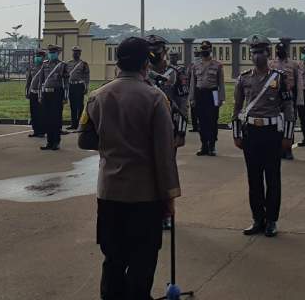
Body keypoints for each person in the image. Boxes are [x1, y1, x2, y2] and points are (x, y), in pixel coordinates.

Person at [78, 36, 181, 300]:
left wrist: (113, 143)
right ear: (146, 63)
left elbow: (84, 140)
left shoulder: (97, 96)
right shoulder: (155, 98)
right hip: (144, 194)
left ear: (118, 63)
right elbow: (164, 154)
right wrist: (169, 196)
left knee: (113, 258)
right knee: (142, 260)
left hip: (109, 191)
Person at [233, 35, 295, 238]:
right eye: (254, 52)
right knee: (254, 178)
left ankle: (272, 220)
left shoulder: (279, 78)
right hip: (251, 133)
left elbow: (288, 107)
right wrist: (236, 134)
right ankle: (257, 219)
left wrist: (288, 136)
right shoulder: (243, 78)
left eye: (261, 52)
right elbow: (237, 108)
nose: (257, 56)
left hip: (271, 133)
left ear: (268, 54)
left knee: (272, 177)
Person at [146, 36, 189, 229]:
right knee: (146, 172)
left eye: (157, 50)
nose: (153, 54)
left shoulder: (176, 73)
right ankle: (149, 211)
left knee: (166, 172)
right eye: (150, 50)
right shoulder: (142, 73)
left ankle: (167, 213)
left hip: (168, 129)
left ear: (164, 51)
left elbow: (182, 104)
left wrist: (181, 133)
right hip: (145, 129)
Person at [188, 40, 225, 156]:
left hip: (213, 93)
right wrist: (192, 98)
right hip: (200, 93)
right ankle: (204, 145)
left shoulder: (217, 65)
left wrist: (221, 98)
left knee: (213, 119)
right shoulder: (195, 65)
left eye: (206, 49)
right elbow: (193, 83)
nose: (204, 51)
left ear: (210, 49)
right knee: (201, 120)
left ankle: (212, 145)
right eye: (203, 49)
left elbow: (221, 83)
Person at [270, 42, 299, 160]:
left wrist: (298, 100)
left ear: (286, 51)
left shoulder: (293, 65)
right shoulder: (271, 64)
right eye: (278, 50)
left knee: (289, 122)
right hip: (275, 98)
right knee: (276, 124)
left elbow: (298, 82)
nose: (280, 52)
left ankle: (288, 150)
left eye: (282, 50)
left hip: (289, 97)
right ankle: (278, 149)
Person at [38, 45, 70, 150]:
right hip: (46, 94)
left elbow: (66, 83)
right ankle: (49, 142)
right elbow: (41, 81)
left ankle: (56, 142)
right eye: (50, 52)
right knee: (47, 118)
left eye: (53, 52)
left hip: (57, 94)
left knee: (56, 119)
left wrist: (66, 97)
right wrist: (40, 95)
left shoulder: (62, 65)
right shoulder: (45, 64)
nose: (51, 54)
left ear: (57, 53)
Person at [65, 46, 91, 130]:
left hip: (79, 86)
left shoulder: (83, 64)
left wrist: (86, 87)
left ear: (80, 53)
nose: (75, 53)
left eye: (77, 52)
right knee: (72, 105)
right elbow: (66, 75)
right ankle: (73, 124)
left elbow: (87, 76)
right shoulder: (68, 63)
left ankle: (80, 124)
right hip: (71, 85)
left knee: (80, 105)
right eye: (74, 52)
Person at [26, 50, 47, 138]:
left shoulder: (46, 66)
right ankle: (36, 130)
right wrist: (27, 91)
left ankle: (42, 131)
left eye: (39, 56)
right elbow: (28, 80)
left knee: (41, 112)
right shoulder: (32, 66)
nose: (37, 57)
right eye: (36, 56)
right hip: (32, 92)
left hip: (41, 93)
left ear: (43, 57)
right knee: (33, 112)